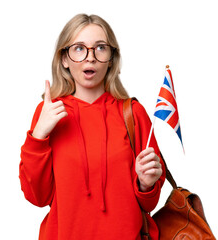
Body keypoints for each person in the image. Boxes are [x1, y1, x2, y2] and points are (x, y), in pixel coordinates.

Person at [19, 13, 166, 240]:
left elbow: (149, 202)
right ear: (64, 59)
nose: (90, 57)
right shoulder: (48, 113)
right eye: (79, 48)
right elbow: (36, 197)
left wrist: (146, 184)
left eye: (100, 48)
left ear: (111, 59)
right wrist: (38, 136)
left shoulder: (133, 113)